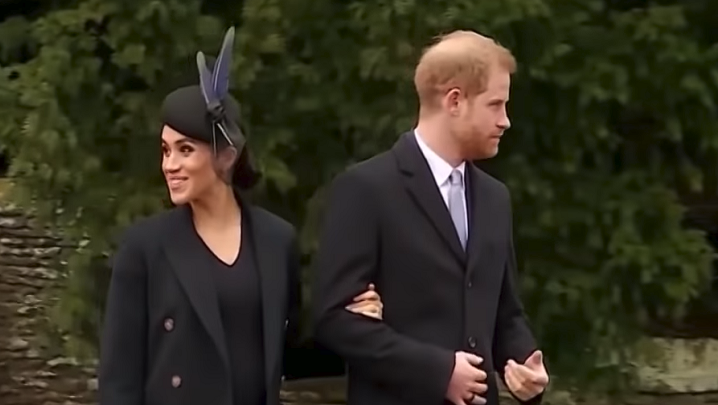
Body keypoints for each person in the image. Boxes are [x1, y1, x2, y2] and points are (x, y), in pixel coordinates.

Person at [98, 27, 383, 405]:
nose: (170, 164)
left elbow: (291, 355)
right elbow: (119, 379)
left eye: (185, 150)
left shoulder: (276, 239)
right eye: (166, 150)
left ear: (226, 156)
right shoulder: (145, 247)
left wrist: (352, 322)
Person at [312, 30, 549, 405]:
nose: (505, 121)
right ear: (454, 101)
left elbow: (505, 312)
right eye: (495, 105)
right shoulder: (367, 189)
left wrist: (525, 362)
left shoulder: (495, 198)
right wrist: (439, 373)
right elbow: (333, 319)